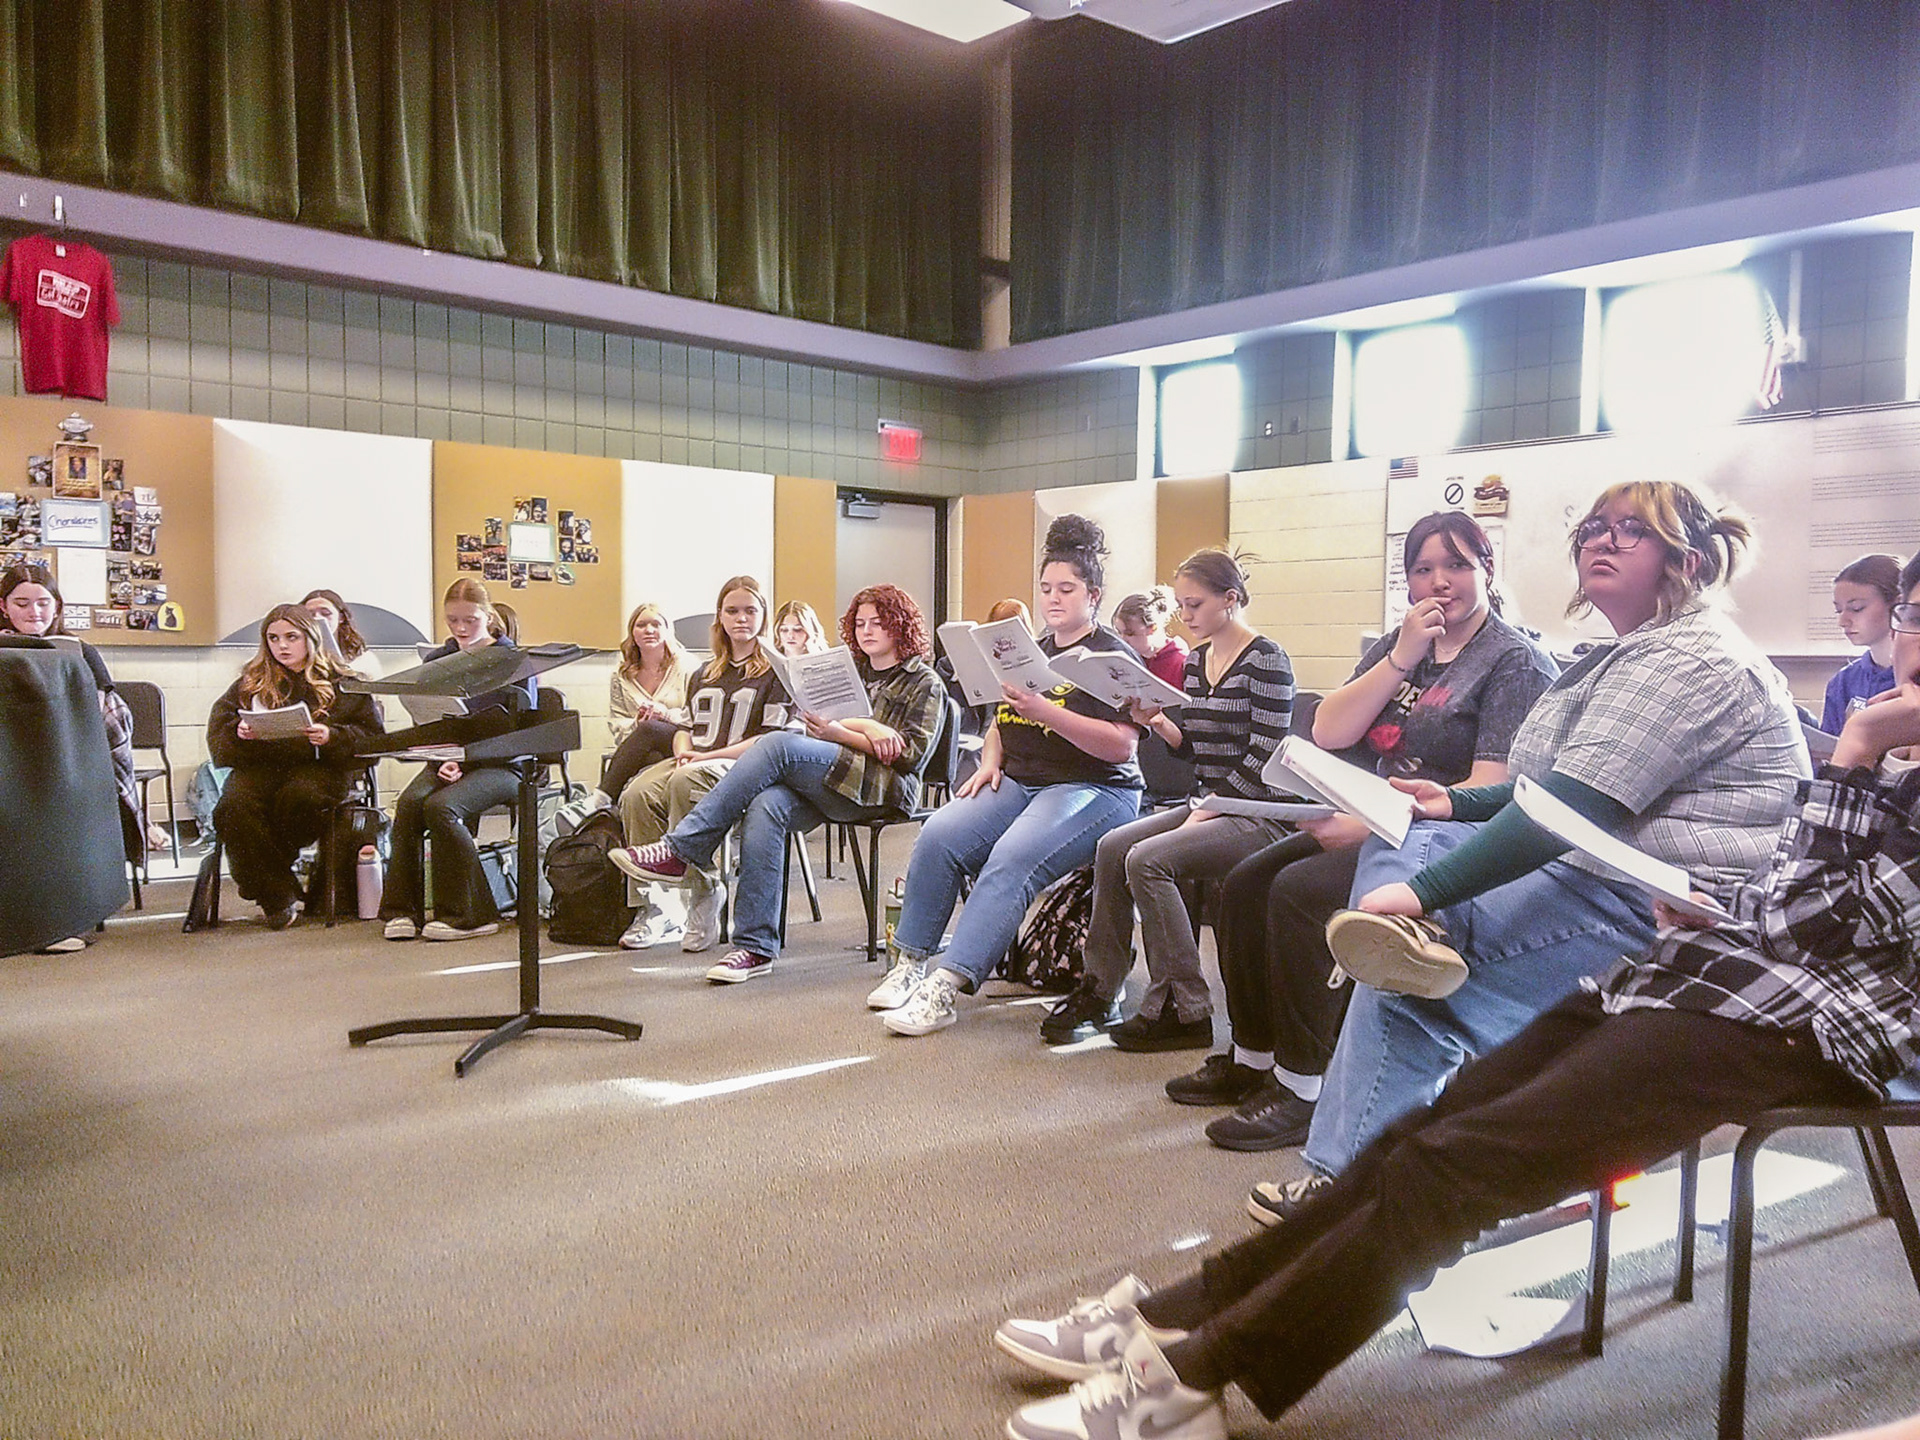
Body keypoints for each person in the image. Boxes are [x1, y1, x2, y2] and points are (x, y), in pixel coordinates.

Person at [987, 555, 1920, 1440]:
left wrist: (1857, 753)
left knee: (1460, 1162)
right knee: (1421, 1135)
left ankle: (1203, 1374)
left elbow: (1807, 926)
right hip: (1708, 971)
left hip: (1813, 1025)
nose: (1909, 643)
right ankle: (1177, 1312)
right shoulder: (1883, 754)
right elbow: (1786, 900)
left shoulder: (1846, 728)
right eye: (1912, 619)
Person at [1249, 479, 1806, 1224]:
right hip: (1605, 881)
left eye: (1631, 531)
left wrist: (1418, 895)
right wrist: (1454, 802)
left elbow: (1571, 810)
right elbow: (1549, 792)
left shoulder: (1691, 659)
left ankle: (1358, 1184)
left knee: (1404, 979)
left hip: (1680, 920)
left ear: (1692, 561)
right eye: (1595, 527)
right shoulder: (1632, 652)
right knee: (1413, 864)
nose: (1601, 540)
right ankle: (1365, 1183)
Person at [1168, 513, 1556, 1152]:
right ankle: (1253, 1059)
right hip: (1371, 814)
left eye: (1457, 565)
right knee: (1244, 884)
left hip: (1439, 832)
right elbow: (1329, 731)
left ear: (1488, 569)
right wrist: (1401, 657)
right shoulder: (1400, 644)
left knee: (1296, 894)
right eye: (1423, 569)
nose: (1440, 582)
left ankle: (1304, 1085)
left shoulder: (1511, 661)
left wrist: (1379, 816)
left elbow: (1487, 789)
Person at [878, 515, 1143, 1036]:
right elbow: (1004, 714)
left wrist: (1047, 713)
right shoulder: (1034, 649)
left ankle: (947, 986)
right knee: (939, 834)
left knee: (1012, 859)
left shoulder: (1112, 654)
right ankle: (911, 963)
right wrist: (991, 759)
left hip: (1093, 789)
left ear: (1094, 594)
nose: (1053, 599)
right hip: (1020, 778)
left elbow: (1120, 745)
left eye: (1067, 589)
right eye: (1046, 589)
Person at [610, 585, 945, 983]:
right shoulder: (846, 671)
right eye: (859, 623)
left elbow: (910, 756)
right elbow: (814, 724)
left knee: (776, 745)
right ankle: (754, 947)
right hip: (830, 780)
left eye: (879, 622)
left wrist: (844, 733)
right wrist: (861, 729)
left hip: (879, 790)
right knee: (766, 804)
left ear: (900, 627)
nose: (867, 630)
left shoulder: (923, 680)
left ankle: (681, 848)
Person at [1039, 550, 1297, 1050]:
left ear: (1232, 599)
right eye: (1181, 606)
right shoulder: (1199, 662)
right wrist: (1156, 719)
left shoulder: (1267, 658)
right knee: (1113, 846)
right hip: (1213, 801)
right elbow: (1195, 750)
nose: (1188, 616)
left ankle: (1184, 1006)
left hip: (1260, 810)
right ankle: (1101, 987)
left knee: (1148, 859)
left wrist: (1209, 807)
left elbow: (1267, 756)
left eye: (1196, 604)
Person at [613, 575, 791, 953]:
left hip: (740, 765)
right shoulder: (703, 673)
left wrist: (702, 758)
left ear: (763, 616)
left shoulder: (776, 672)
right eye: (732, 611)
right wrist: (682, 750)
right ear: (720, 618)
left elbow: (770, 741)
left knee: (684, 783)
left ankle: (702, 890)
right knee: (636, 793)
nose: (741, 618)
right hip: (696, 757)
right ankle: (656, 907)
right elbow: (687, 726)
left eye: (750, 611)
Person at [205, 604, 384, 929]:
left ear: (311, 638)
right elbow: (219, 730)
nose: (282, 646)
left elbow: (372, 740)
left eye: (291, 637)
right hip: (261, 766)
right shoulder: (251, 682)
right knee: (232, 807)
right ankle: (277, 892)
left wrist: (332, 736)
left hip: (319, 768)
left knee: (301, 796)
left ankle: (266, 882)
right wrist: (238, 732)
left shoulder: (343, 682)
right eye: (273, 638)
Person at [0, 562, 145, 952]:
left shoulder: (79, 651)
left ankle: (62, 918)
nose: (35, 612)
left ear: (57, 606)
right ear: (4, 607)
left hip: (70, 762)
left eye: (44, 603)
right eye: (22, 603)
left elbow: (106, 715)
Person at [378, 578, 534, 942]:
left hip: (502, 764)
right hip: (448, 759)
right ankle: (402, 910)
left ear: (488, 615)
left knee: (442, 807)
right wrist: (442, 758)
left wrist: (465, 759)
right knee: (410, 804)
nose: (461, 629)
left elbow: (518, 731)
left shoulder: (512, 660)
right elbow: (429, 721)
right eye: (453, 621)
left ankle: (472, 913)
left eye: (470, 620)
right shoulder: (437, 660)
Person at [552, 602, 694, 836]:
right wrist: (636, 724)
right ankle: (637, 832)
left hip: (681, 741)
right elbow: (617, 723)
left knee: (650, 730)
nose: (649, 630)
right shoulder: (621, 675)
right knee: (651, 754)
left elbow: (696, 717)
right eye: (641, 625)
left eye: (656, 624)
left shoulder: (688, 668)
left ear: (668, 630)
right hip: (641, 748)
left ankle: (599, 801)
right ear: (632, 633)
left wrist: (664, 714)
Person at [1824, 554, 1902, 735]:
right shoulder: (1843, 682)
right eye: (1838, 610)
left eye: (1856, 608)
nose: (1843, 621)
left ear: (1898, 605)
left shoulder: (1912, 676)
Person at [1113, 585, 1190, 689]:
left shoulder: (1180, 660)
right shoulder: (1126, 657)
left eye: (1130, 634)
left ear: (1152, 628)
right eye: (1119, 632)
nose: (1123, 640)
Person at [299, 588, 380, 677]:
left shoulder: (363, 659)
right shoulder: (295, 655)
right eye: (310, 615)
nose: (317, 618)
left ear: (341, 617)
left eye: (326, 613)